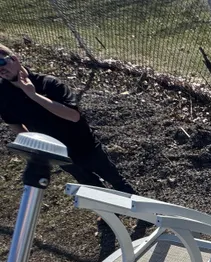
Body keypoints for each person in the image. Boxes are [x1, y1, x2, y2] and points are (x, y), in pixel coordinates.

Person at [0, 43, 149, 242]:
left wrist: (34, 96)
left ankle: (142, 211)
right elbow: (14, 124)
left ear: (15, 59)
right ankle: (110, 213)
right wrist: (35, 146)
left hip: (84, 145)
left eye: (2, 62)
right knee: (90, 184)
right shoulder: (4, 96)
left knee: (113, 177)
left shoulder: (48, 84)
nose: (1, 69)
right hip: (60, 154)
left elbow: (73, 116)